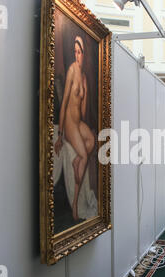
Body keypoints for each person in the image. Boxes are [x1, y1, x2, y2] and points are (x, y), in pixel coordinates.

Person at [55, 36, 95, 221]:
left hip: (78, 122)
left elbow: (84, 109)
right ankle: (75, 208)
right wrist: (60, 134)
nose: (77, 56)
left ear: (84, 55)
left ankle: (77, 161)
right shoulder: (72, 70)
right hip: (70, 123)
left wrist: (83, 128)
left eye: (79, 53)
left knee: (92, 142)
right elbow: (64, 104)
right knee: (85, 156)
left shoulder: (85, 77)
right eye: (75, 52)